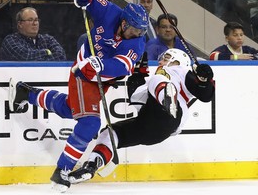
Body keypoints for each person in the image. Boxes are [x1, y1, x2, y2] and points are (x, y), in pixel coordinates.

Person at [8, 0, 149, 192]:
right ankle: (62, 170)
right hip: (83, 72)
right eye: (135, 30)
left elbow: (122, 66)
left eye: (141, 31)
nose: (137, 34)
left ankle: (27, 94)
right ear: (124, 23)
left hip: (102, 78)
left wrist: (102, 65)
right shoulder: (111, 12)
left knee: (68, 109)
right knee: (90, 123)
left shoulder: (137, 43)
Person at [66, 49, 215, 185]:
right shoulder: (153, 80)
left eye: (167, 57)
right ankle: (91, 166)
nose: (161, 61)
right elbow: (136, 88)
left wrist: (204, 80)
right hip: (149, 126)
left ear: (178, 61)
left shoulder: (181, 71)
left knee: (158, 78)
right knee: (110, 133)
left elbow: (206, 95)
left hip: (170, 117)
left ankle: (167, 100)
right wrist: (137, 63)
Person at [1, 7, 67, 61]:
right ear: (20, 24)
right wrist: (47, 52)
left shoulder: (48, 39)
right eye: (30, 20)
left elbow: (61, 56)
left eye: (36, 20)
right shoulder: (11, 40)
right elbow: (25, 57)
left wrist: (38, 58)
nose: (35, 23)